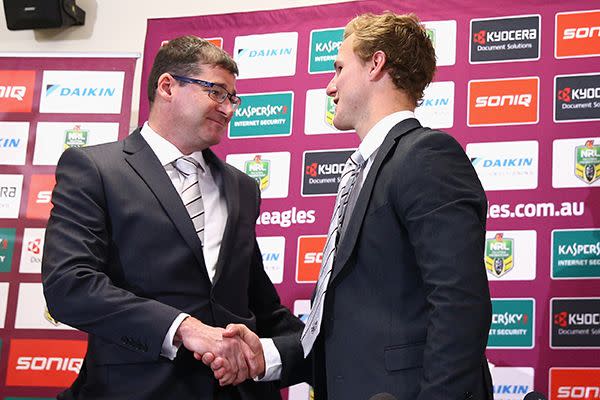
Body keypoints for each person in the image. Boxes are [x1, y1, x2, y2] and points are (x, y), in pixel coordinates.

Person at [212, 12, 494, 400]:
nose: (330, 86)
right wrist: (269, 354)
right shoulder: (368, 169)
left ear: (375, 64)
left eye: (339, 68)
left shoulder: (427, 156)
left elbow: (460, 305)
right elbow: (353, 327)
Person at [42, 35, 304, 400]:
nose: (228, 109)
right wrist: (184, 327)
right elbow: (69, 286)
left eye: (233, 98)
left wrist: (303, 351)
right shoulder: (95, 168)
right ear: (168, 86)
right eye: (216, 92)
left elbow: (258, 303)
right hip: (137, 390)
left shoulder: (242, 187)